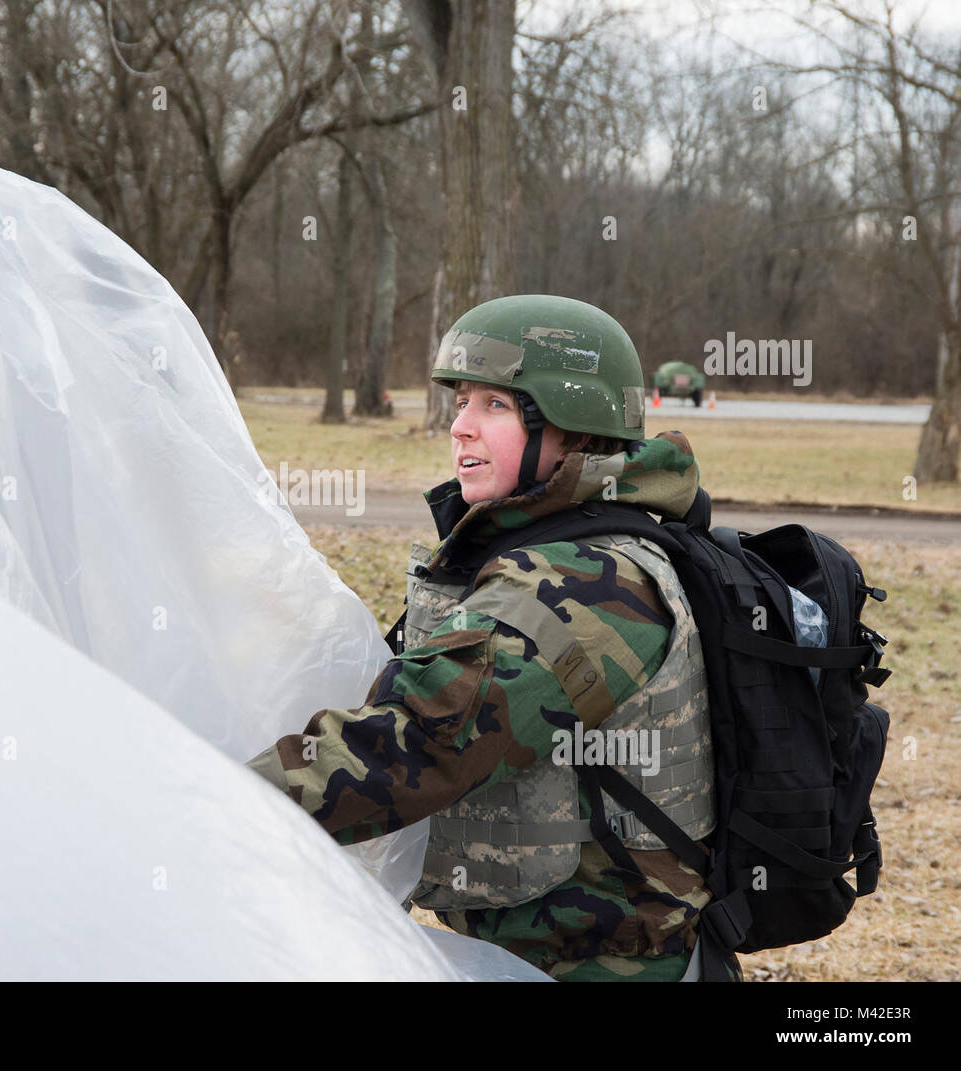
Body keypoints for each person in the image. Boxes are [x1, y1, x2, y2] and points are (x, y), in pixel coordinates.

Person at [246, 294, 735, 982]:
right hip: (531, 956)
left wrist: (218, 797)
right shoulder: (567, 542)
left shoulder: (585, 585)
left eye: (495, 406)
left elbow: (412, 745)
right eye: (462, 401)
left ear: (573, 429)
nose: (461, 428)